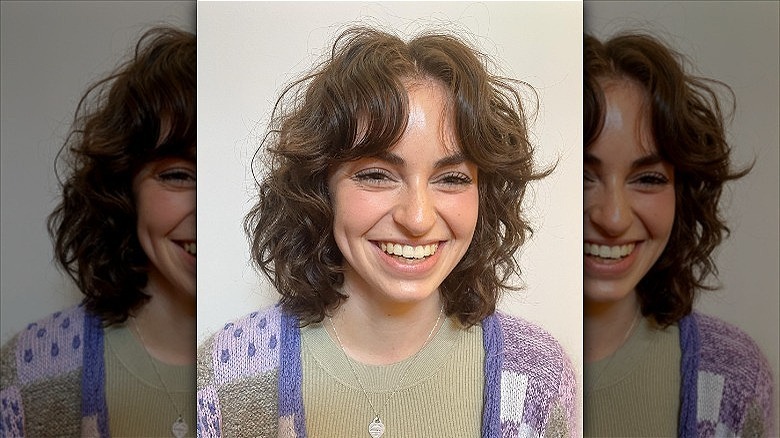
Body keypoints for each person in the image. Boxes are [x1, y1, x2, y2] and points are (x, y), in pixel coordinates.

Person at [197, 26, 576, 437]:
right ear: (321, 188)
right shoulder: (226, 375)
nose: (417, 218)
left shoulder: (539, 379)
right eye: (377, 175)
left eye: (451, 178)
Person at [0, 26, 196, 437]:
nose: (206, 208)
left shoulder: (285, 368)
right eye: (178, 175)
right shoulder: (29, 374)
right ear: (124, 190)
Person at [583, 32, 774, 437]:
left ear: (681, 194)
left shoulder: (734, 376)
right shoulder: (504, 371)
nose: (613, 218)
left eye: (648, 178)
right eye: (583, 176)